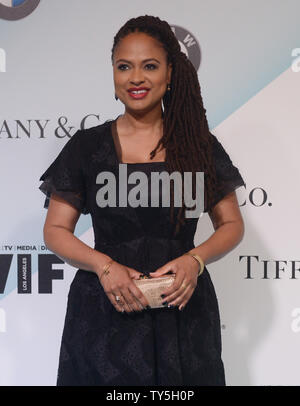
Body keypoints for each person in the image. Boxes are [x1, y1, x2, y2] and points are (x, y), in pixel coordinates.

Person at [39, 15, 245, 386]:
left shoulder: (198, 146)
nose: (136, 78)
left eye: (149, 66)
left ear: (170, 74)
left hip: (182, 312)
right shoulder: (87, 148)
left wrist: (195, 260)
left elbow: (231, 224)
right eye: (124, 66)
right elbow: (55, 230)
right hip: (104, 313)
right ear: (113, 73)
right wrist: (104, 267)